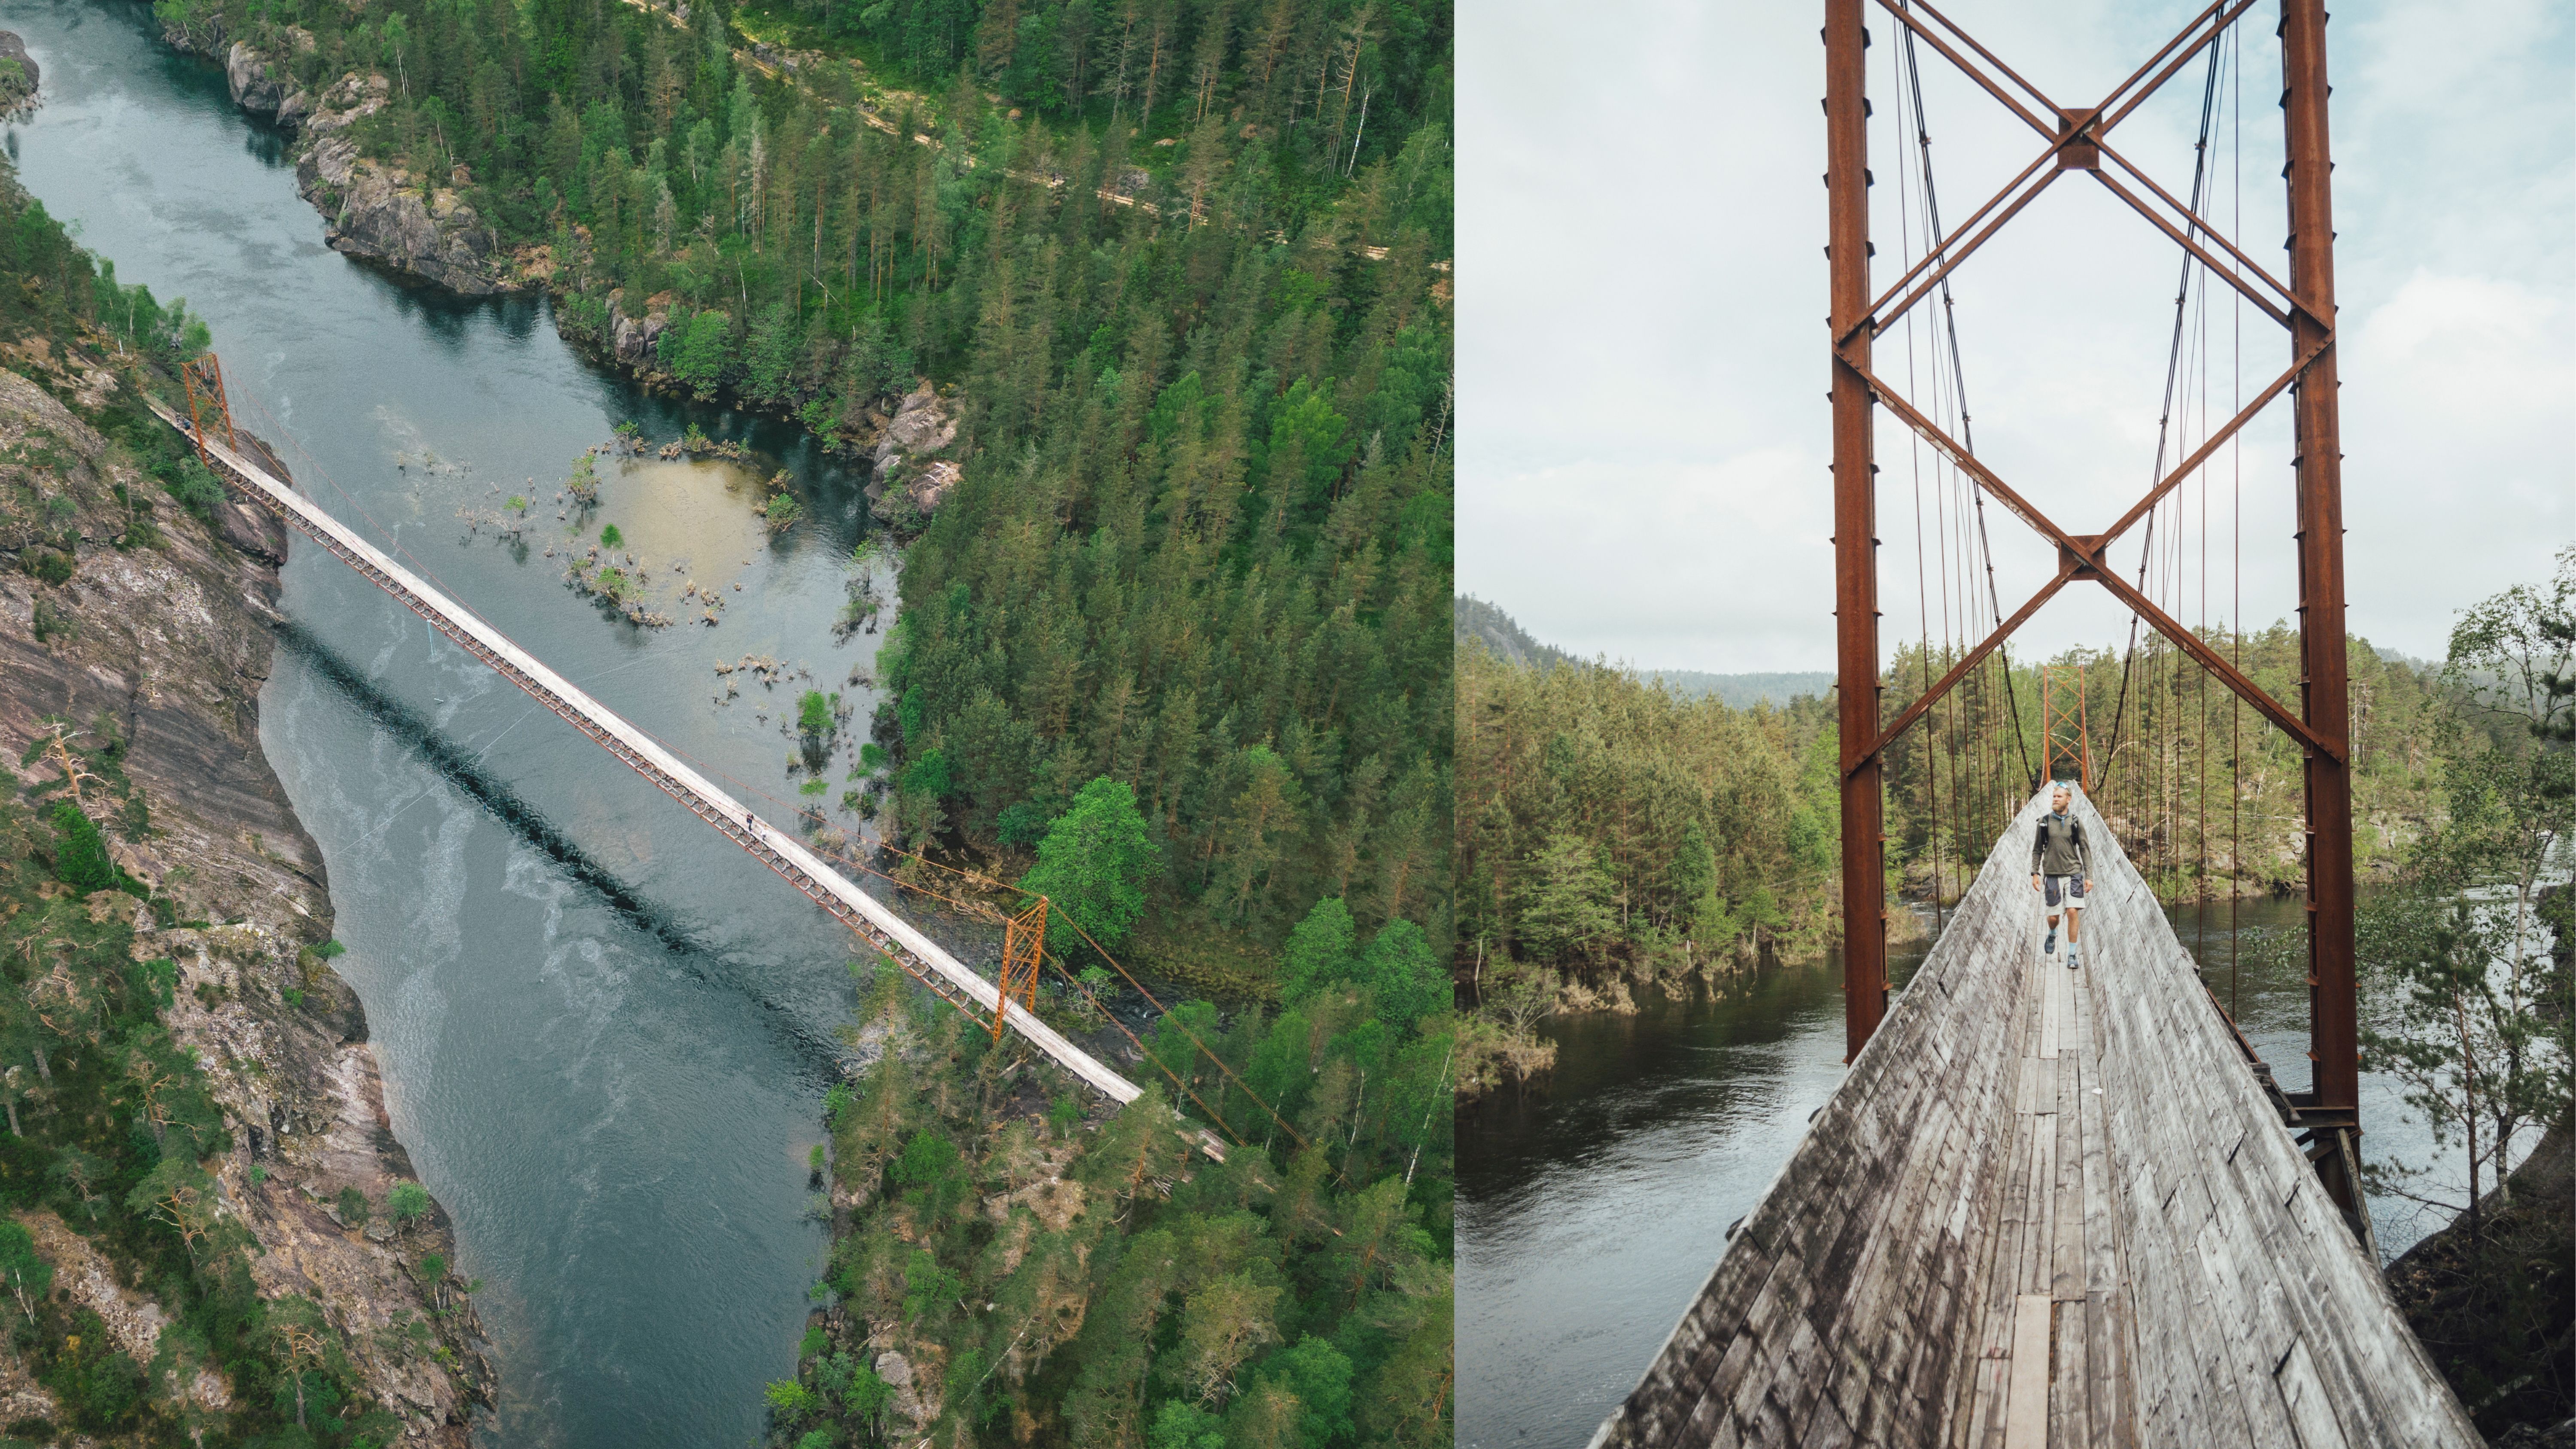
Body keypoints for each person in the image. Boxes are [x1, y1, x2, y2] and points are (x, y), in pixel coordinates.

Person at [2029, 783, 2093, 969]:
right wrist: (2035, 873)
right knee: (2054, 917)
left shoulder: (2076, 822)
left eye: (2059, 797)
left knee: (2073, 911)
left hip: (2073, 873)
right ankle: (2052, 933)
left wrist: (2089, 876)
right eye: (2054, 797)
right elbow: (2036, 850)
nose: (2055, 800)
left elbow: (2085, 850)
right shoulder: (2044, 822)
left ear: (2068, 799)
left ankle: (2072, 954)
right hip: (2052, 875)